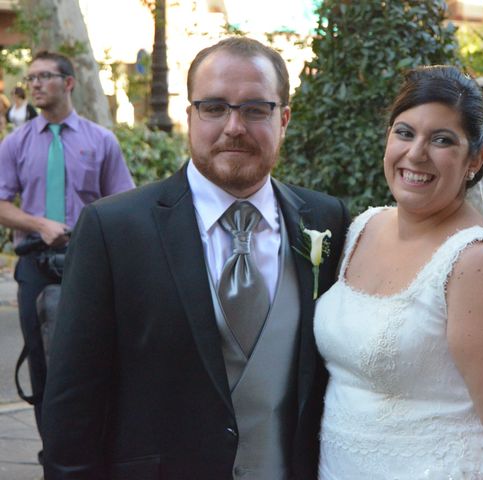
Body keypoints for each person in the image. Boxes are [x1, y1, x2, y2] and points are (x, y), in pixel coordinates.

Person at [41, 37, 350, 479]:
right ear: (190, 116)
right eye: (214, 107)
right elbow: (73, 401)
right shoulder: (114, 229)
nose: (234, 126)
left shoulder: (326, 219)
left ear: (283, 119)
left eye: (255, 109)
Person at [313, 66, 483, 479]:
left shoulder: (477, 261)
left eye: (442, 140)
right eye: (404, 132)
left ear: (476, 159)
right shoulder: (362, 228)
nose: (416, 153)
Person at [0, 50, 134, 454]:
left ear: (69, 83)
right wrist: (40, 224)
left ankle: (93, 446)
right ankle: (54, 452)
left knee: (92, 358)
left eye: (44, 77)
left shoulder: (101, 140)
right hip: (35, 266)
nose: (35, 85)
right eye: (31, 79)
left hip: (87, 263)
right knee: (42, 363)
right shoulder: (16, 143)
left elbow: (123, 203)